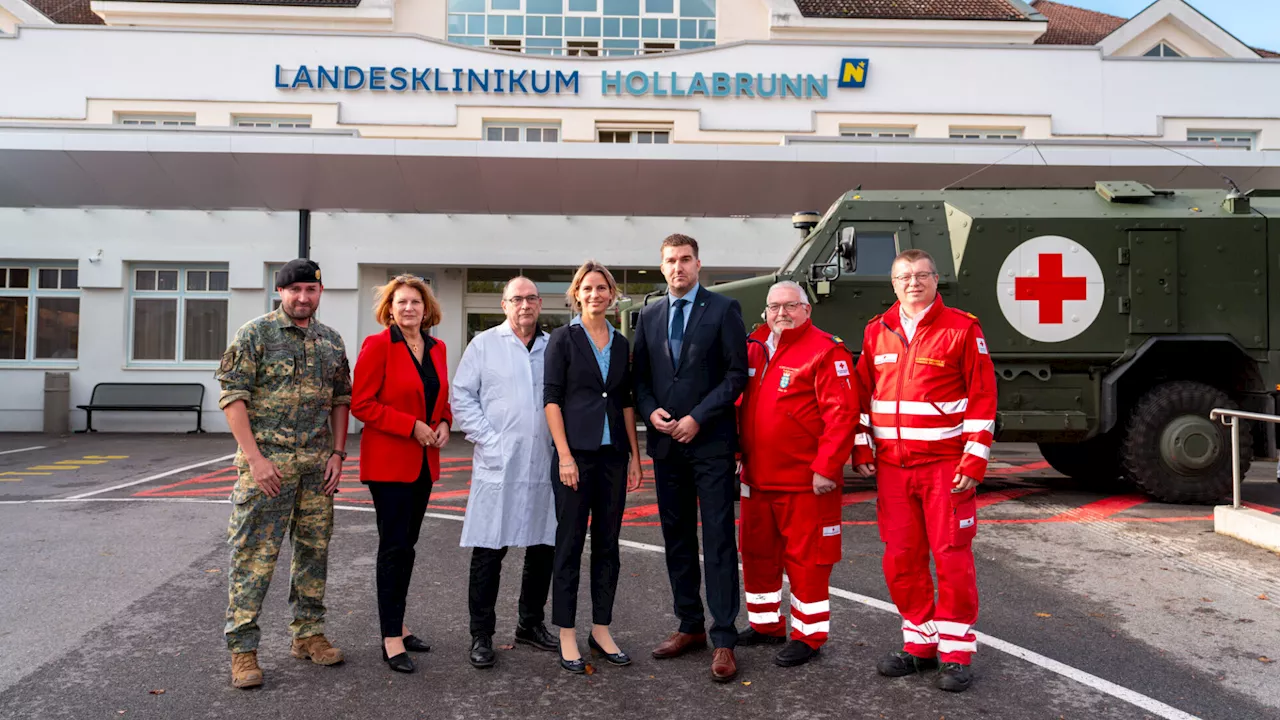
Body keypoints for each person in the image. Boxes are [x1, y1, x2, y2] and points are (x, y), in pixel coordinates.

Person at [852, 248, 997, 693]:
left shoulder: (962, 329)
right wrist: (862, 447)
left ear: (937, 280)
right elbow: (862, 394)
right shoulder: (878, 331)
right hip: (893, 468)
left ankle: (955, 654)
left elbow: (982, 397)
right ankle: (919, 645)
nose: (912, 283)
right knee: (901, 557)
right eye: (903, 277)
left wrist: (973, 460)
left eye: (920, 275)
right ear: (892, 285)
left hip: (944, 468)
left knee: (951, 556)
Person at [215, 258, 351, 690]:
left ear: (320, 292)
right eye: (294, 291)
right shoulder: (255, 334)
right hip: (266, 471)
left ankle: (307, 635)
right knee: (252, 561)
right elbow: (233, 397)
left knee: (313, 555)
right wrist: (255, 459)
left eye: (310, 290)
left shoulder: (330, 341)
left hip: (316, 471)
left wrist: (338, 453)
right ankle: (243, 651)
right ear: (280, 293)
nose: (302, 298)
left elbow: (341, 399)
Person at [631, 233, 749, 683]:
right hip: (666, 446)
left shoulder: (723, 310)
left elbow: (737, 375)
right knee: (677, 539)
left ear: (699, 264)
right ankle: (689, 626)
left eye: (684, 260)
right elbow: (639, 379)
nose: (677, 268)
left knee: (718, 541)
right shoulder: (650, 313)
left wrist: (698, 417)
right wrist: (649, 411)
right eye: (669, 261)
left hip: (710, 444)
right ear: (661, 268)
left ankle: (723, 638)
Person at [736, 281, 859, 668]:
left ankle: (809, 635)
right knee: (757, 556)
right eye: (774, 307)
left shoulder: (825, 350)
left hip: (806, 482)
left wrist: (826, 467)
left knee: (808, 562)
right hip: (756, 478)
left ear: (808, 310)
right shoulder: (754, 347)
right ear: (765, 311)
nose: (782, 313)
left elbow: (842, 415)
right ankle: (765, 624)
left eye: (791, 306)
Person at [451, 276, 559, 670]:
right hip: (499, 463)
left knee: (543, 547)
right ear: (504, 304)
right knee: (489, 551)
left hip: (544, 461)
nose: (525, 305)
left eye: (531, 298)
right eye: (517, 299)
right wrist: (488, 439)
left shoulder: (553, 347)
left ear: (540, 303)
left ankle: (530, 624)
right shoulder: (484, 344)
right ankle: (481, 633)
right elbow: (461, 395)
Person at [543, 261, 643, 674]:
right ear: (577, 294)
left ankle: (600, 629)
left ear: (612, 294)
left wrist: (635, 456)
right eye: (588, 288)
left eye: (602, 288)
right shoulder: (562, 340)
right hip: (575, 459)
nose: (595, 294)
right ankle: (566, 631)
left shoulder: (621, 344)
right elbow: (551, 400)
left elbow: (624, 402)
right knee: (568, 546)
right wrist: (564, 456)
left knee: (607, 546)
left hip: (613, 458)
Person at [350, 274, 453, 674]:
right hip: (390, 463)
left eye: (415, 302)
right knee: (393, 547)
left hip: (424, 462)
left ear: (427, 309)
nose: (409, 308)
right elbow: (362, 403)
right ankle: (390, 637)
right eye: (401, 302)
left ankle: (399, 622)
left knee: (407, 548)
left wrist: (444, 421)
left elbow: (440, 397)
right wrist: (411, 426)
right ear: (389, 309)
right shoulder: (378, 345)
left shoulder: (438, 347)